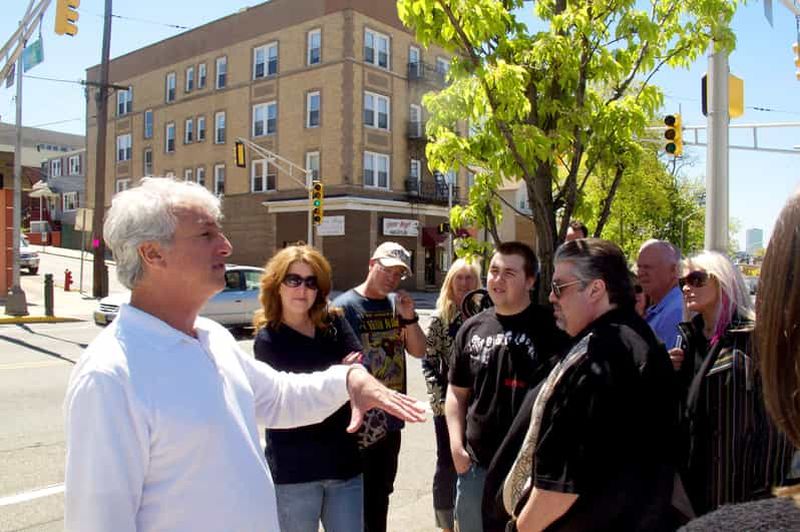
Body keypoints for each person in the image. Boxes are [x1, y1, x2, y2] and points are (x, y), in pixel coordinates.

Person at [63, 178, 425, 532]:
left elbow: (280, 398)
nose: (225, 246)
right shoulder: (110, 375)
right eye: (206, 235)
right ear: (152, 253)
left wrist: (349, 379)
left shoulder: (213, 339)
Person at [503, 238, 676, 531]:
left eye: (560, 287)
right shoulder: (624, 339)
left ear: (596, 289)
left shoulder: (605, 355)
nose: (552, 297)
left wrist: (521, 528)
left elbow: (560, 486)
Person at [678, 193, 800, 529]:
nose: (687, 288)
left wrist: (761, 497)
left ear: (724, 281)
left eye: (697, 279)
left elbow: (773, 423)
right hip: (695, 491)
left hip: (742, 493)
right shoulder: (688, 340)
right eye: (682, 282)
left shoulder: (753, 337)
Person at [446, 241, 568, 532]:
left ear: (530, 280)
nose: (497, 280)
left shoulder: (552, 329)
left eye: (509, 273)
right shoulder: (472, 328)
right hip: (476, 467)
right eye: (493, 271)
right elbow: (456, 392)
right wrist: (456, 447)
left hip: (529, 470)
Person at [253, 245, 365, 532]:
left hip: (344, 464)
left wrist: (346, 375)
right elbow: (287, 399)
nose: (302, 289)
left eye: (311, 281)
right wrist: (338, 375)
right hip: (295, 471)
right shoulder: (268, 340)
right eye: (293, 279)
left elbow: (358, 370)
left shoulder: (334, 322)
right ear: (277, 285)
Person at [333, 241, 427, 532]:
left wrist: (409, 316)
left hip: (392, 418)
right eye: (387, 270)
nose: (392, 278)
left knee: (381, 493)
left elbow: (419, 350)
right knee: (357, 497)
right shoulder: (345, 307)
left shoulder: (395, 305)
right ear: (372, 265)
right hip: (362, 421)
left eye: (399, 274)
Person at [423, 258, 482, 532]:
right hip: (447, 405)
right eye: (459, 277)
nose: (464, 283)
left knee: (476, 460)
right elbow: (429, 363)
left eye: (470, 278)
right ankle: (446, 524)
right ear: (450, 282)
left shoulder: (483, 314)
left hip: (478, 404)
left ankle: (469, 518)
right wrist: (440, 403)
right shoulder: (440, 319)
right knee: (447, 460)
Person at [637, 239, 683, 346]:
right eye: (639, 267)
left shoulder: (676, 312)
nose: (641, 273)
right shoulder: (660, 310)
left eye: (648, 267)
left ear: (673, 270)